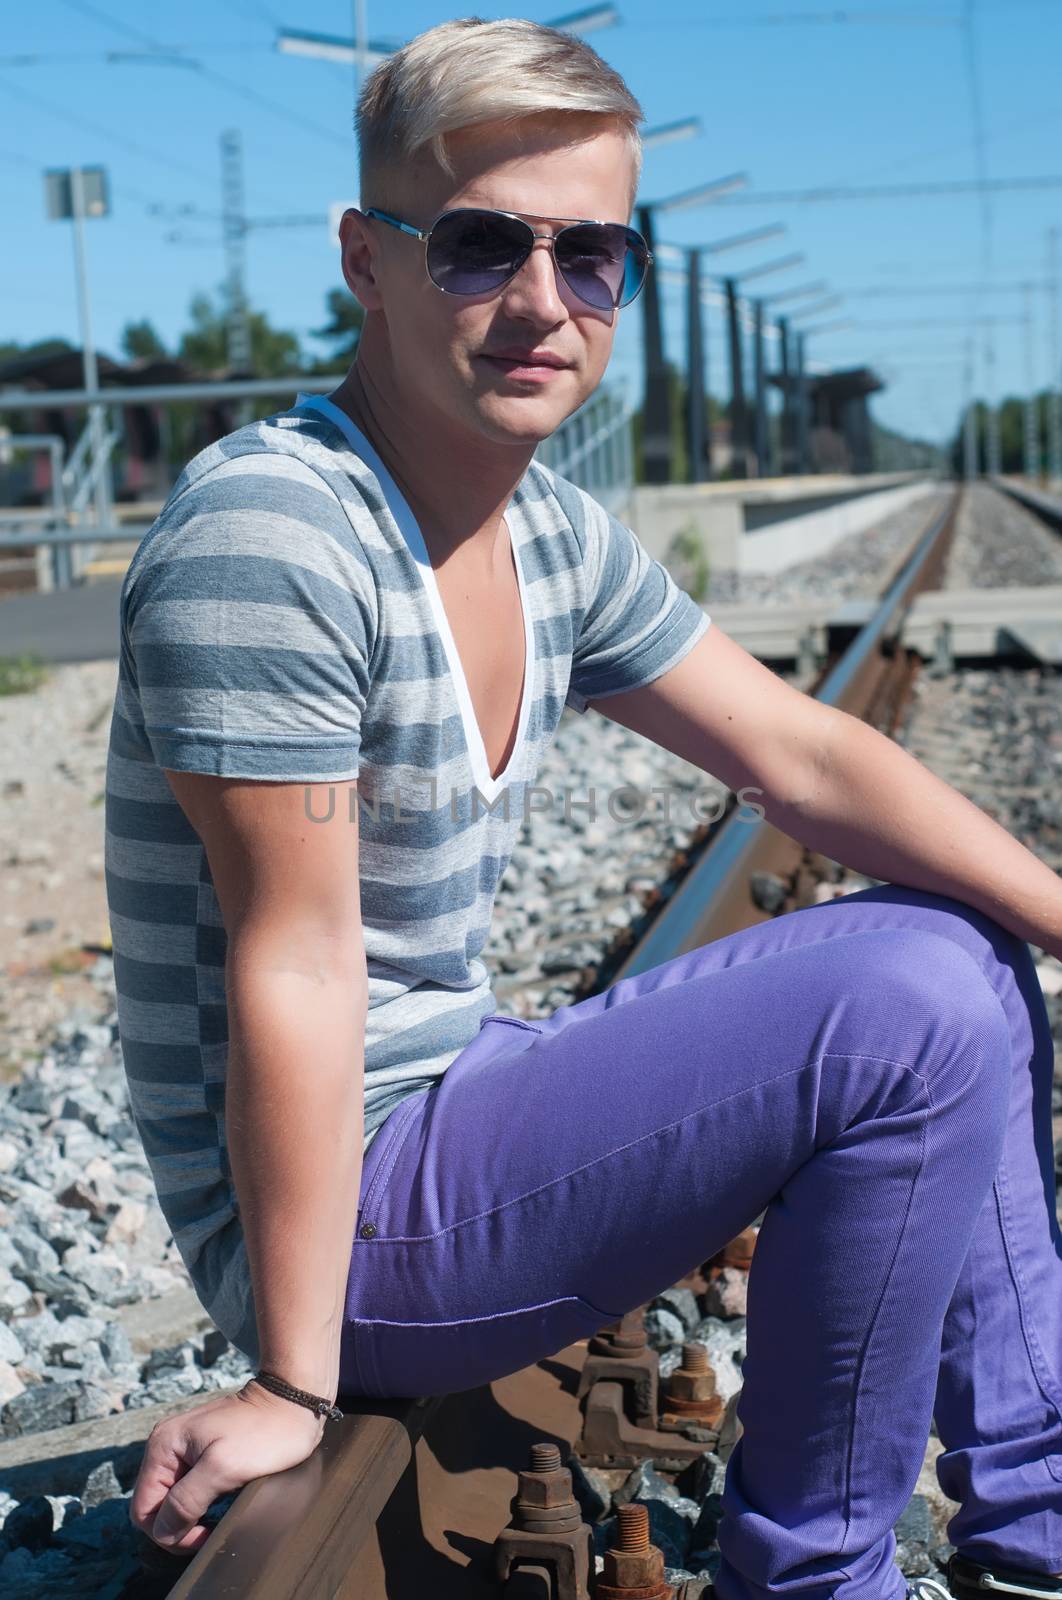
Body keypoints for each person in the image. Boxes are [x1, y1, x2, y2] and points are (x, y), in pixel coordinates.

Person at [106, 17, 1062, 1600]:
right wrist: (289, 1379)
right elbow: (296, 962)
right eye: (483, 246)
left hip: (441, 1111)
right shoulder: (273, 539)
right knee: (905, 997)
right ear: (368, 258)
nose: (544, 302)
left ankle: (1036, 1535)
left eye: (592, 254)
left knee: (965, 942)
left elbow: (799, 757)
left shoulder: (542, 527)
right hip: (345, 1214)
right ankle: (824, 1577)